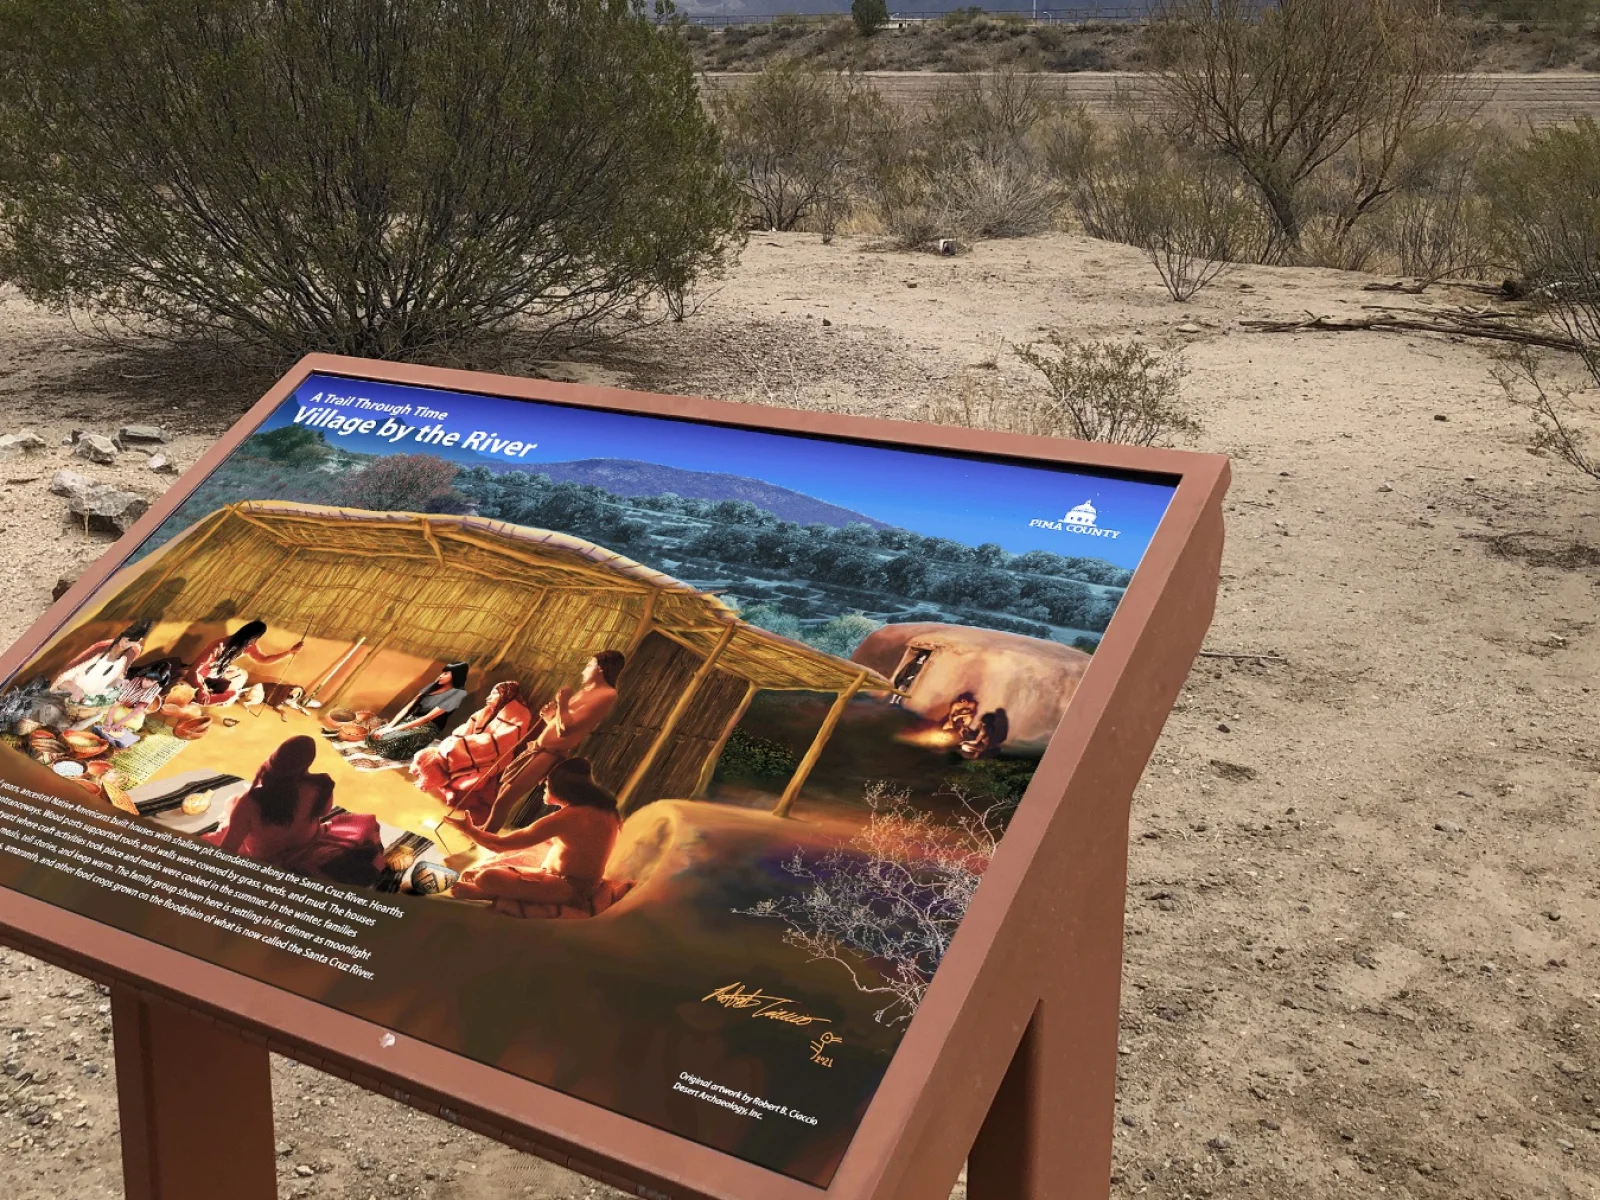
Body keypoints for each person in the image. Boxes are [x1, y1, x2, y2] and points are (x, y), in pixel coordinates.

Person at [203, 735, 384, 887]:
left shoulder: (250, 801)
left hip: (266, 856)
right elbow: (323, 811)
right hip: (306, 843)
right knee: (358, 825)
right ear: (308, 762)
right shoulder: (320, 786)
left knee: (231, 804)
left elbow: (228, 849)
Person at [446, 758, 621, 907]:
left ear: (559, 787)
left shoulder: (567, 818)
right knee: (533, 848)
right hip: (571, 880)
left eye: (546, 784)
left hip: (570, 888)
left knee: (487, 878)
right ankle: (493, 879)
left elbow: (498, 845)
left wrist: (468, 830)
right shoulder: (605, 810)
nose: (543, 788)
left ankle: (483, 892)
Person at [481, 650, 624, 833]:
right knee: (502, 794)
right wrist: (551, 716)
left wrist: (563, 702)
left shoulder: (606, 694)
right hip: (539, 749)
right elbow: (560, 725)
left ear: (601, 669)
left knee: (504, 800)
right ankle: (485, 829)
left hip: (549, 754)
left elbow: (566, 730)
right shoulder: (586, 691)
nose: (584, 671)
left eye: (589, 666)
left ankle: (484, 837)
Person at [411, 680, 533, 811]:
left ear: (505, 695)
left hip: (488, 759)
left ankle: (446, 787)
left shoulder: (520, 715)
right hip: (464, 750)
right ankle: (445, 787)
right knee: (421, 759)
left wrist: (459, 749)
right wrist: (454, 744)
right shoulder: (487, 711)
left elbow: (498, 742)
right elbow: (466, 728)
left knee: (471, 783)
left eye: (494, 694)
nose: (488, 698)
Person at [365, 662, 470, 762]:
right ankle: (385, 742)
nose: (441, 676)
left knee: (389, 739)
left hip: (429, 727)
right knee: (373, 735)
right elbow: (407, 708)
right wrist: (389, 727)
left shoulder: (458, 694)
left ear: (456, 676)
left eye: (446, 674)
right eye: (442, 673)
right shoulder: (432, 686)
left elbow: (427, 718)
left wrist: (392, 730)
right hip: (411, 720)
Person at [186, 620, 304, 708]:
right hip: (202, 675)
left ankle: (206, 699)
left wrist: (290, 652)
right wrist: (201, 688)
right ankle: (200, 699)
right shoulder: (218, 646)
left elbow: (264, 659)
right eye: (250, 639)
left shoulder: (248, 647)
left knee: (236, 685)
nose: (250, 643)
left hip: (217, 674)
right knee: (230, 691)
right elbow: (194, 671)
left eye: (252, 640)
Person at [51, 620, 152, 705]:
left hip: (91, 701)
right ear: (123, 634)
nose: (127, 644)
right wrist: (74, 689)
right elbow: (64, 676)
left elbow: (113, 682)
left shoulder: (129, 655)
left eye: (132, 642)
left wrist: (119, 682)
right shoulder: (99, 649)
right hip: (69, 692)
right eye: (127, 640)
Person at [92, 657, 183, 747]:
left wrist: (119, 724)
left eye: (152, 681)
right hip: (118, 705)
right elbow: (116, 704)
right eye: (146, 679)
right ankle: (106, 723)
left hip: (131, 711)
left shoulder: (155, 688)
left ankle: (119, 731)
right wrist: (108, 722)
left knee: (136, 725)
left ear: (156, 682)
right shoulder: (135, 681)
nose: (147, 683)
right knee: (101, 711)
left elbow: (137, 710)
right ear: (144, 676)